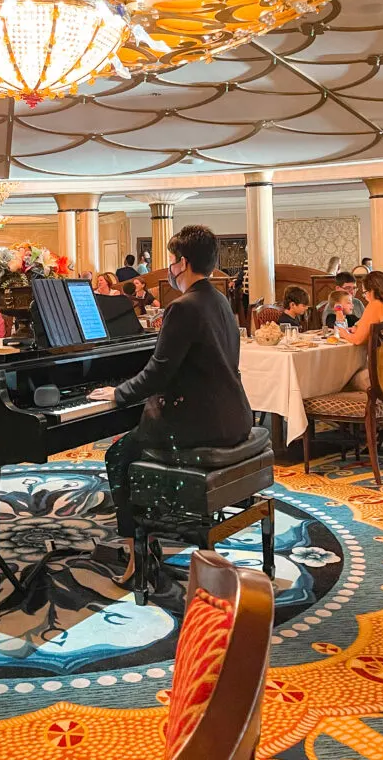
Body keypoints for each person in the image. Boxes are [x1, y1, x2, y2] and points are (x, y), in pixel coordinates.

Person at [89, 225, 253, 585]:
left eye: (170, 262)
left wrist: (117, 393)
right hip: (235, 415)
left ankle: (138, 552)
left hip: (201, 423)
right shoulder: (219, 300)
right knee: (137, 436)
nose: (168, 270)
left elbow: (157, 374)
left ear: (181, 262)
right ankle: (157, 523)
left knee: (119, 455)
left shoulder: (184, 307)